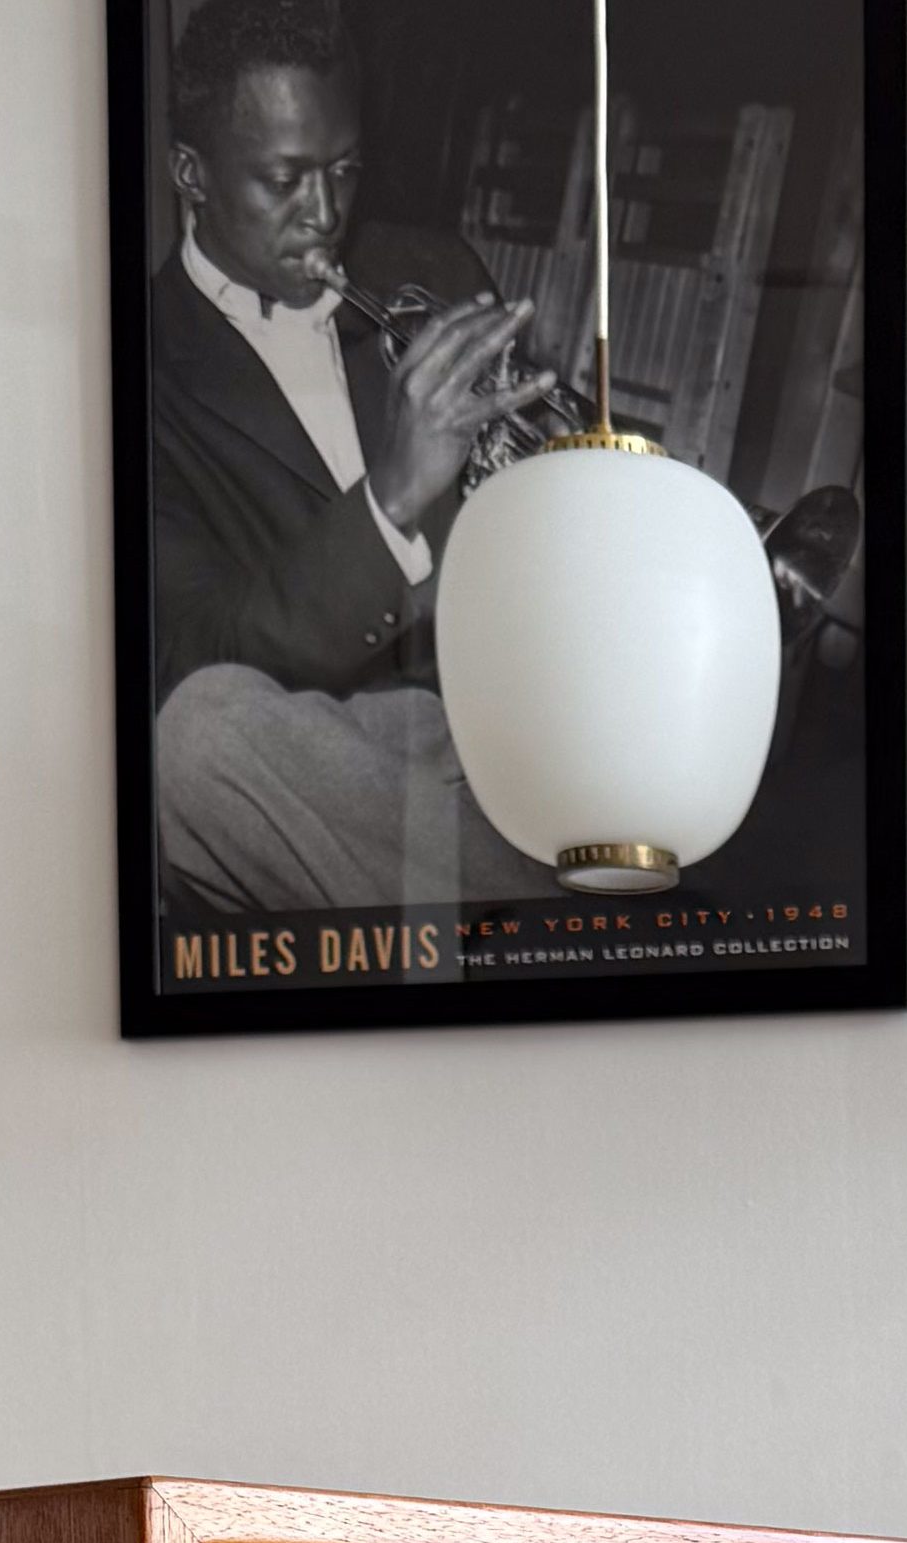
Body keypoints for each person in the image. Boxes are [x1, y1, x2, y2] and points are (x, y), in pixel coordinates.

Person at [145, 0, 558, 916]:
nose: (324, 214)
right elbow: (193, 650)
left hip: (495, 717)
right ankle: (575, 927)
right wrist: (391, 500)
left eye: (343, 170)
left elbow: (527, 522)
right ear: (192, 175)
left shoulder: (436, 271)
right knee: (194, 739)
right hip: (322, 750)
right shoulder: (134, 367)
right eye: (284, 179)